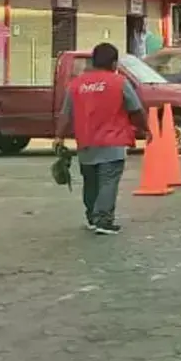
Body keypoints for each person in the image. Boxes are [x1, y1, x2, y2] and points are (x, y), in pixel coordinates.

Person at [54, 43, 150, 235]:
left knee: (91, 182)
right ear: (114, 63)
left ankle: (92, 216)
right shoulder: (119, 82)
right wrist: (145, 129)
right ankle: (103, 220)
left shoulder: (76, 85)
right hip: (112, 143)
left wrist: (59, 137)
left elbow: (66, 114)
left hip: (86, 143)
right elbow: (136, 110)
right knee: (108, 182)